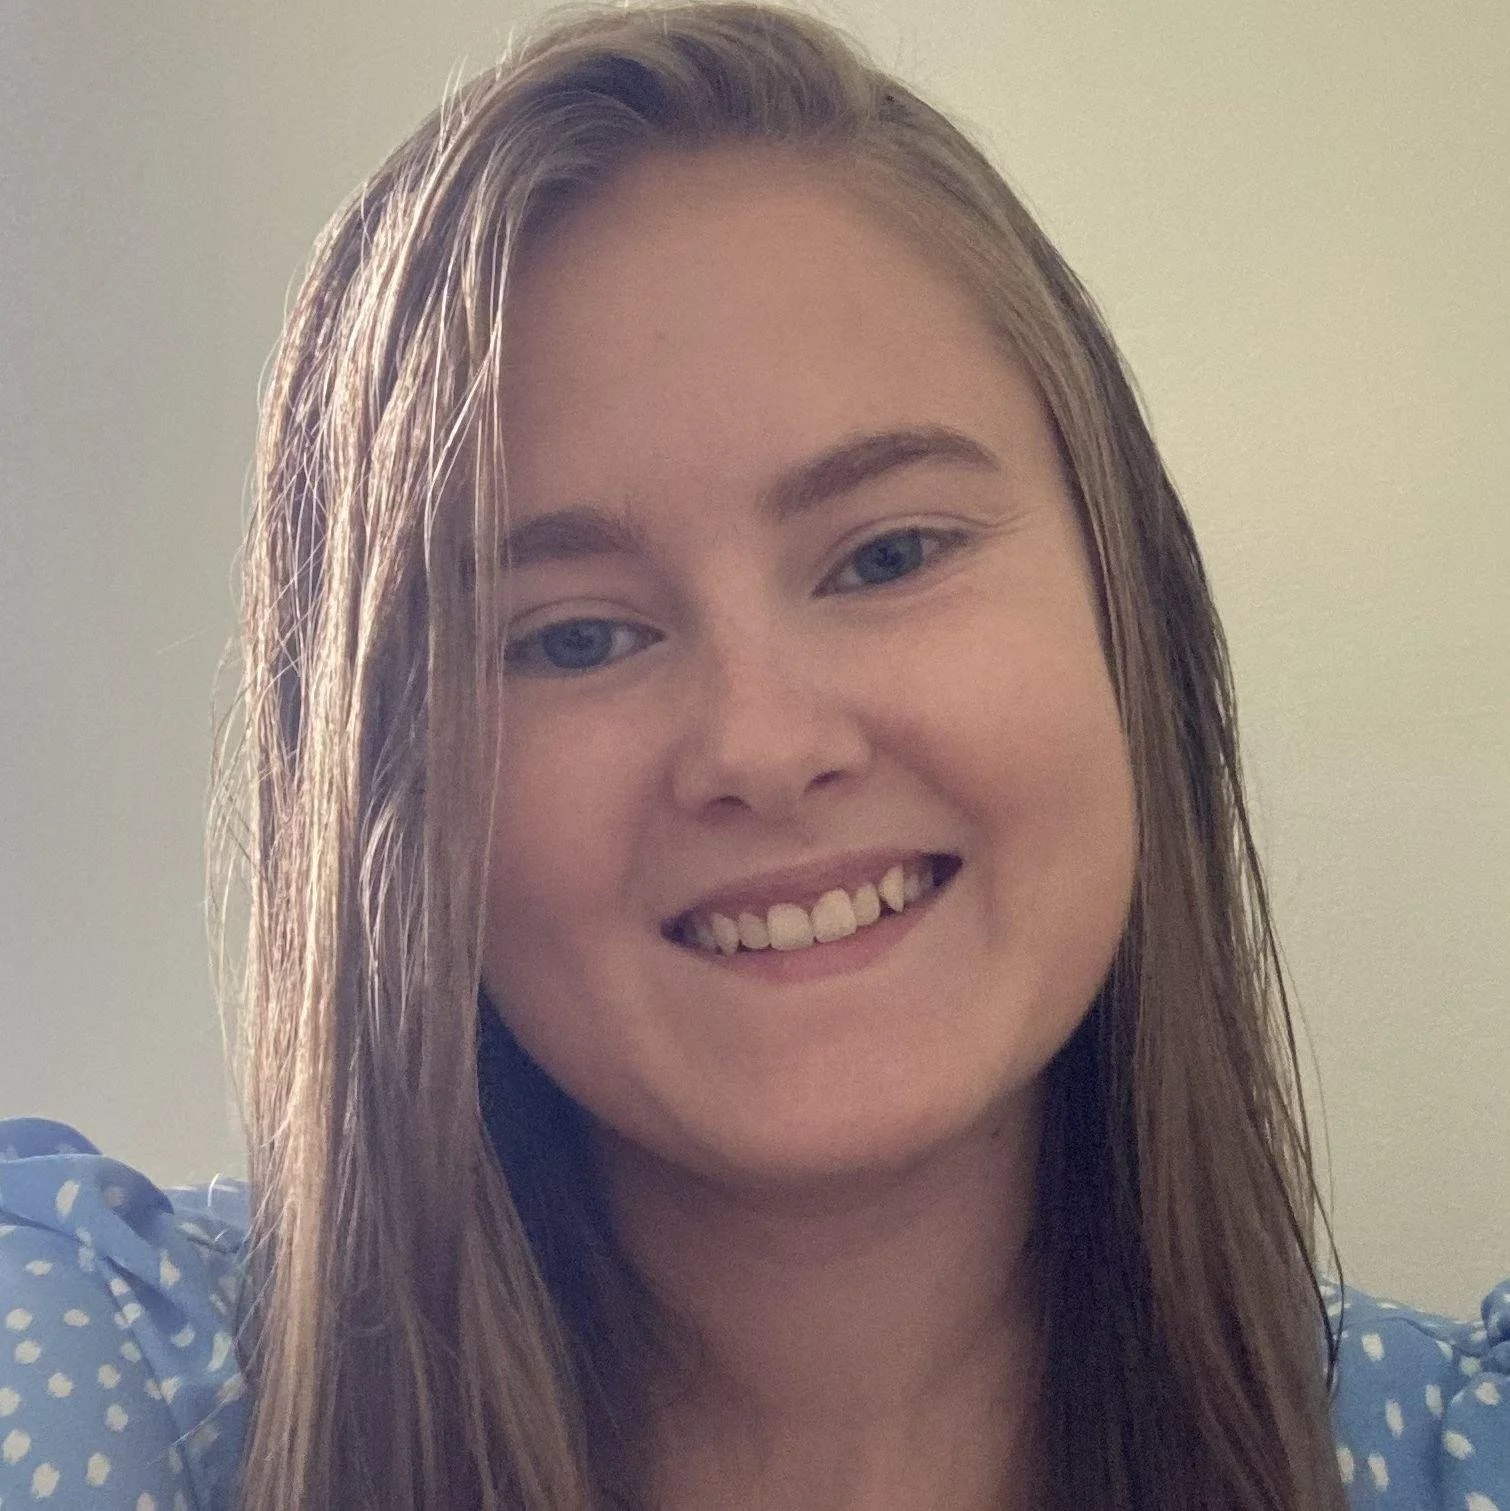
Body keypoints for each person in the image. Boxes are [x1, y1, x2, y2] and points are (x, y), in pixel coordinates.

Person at [1, 2, 1505, 1507]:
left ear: (1125, 601)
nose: (764, 744)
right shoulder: (88, 1383)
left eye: (887, 553)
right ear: (389, 800)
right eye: (574, 636)